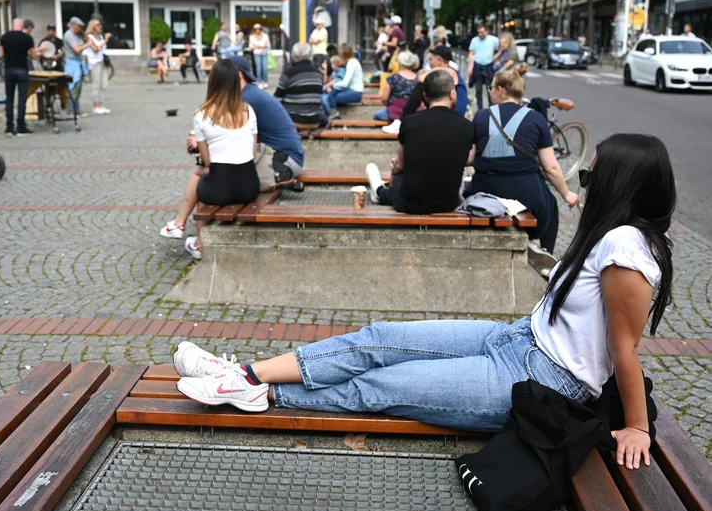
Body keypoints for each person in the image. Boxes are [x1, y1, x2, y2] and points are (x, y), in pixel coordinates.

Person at [174, 131, 676, 474]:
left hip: (542, 381)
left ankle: (263, 395)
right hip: (516, 339)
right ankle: (243, 374)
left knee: (378, 386)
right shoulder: (612, 237)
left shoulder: (627, 248)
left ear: (620, 187)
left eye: (590, 180)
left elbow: (623, 348)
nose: (581, 187)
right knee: (379, 338)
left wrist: (636, 426)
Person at [160, 56, 306, 248]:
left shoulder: (242, 101)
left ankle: (190, 234)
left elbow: (211, 159)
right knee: (211, 173)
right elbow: (248, 150)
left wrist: (200, 143)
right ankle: (185, 229)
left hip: (283, 160)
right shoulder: (249, 105)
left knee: (200, 176)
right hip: (253, 181)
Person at [464, 63, 579, 272]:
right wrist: (567, 194)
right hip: (526, 192)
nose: (489, 92)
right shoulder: (536, 118)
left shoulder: (481, 116)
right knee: (551, 206)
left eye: (491, 88)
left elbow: (470, 157)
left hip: (486, 190)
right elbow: (551, 167)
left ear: (500, 90)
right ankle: (544, 254)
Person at [179, 60, 260, 259]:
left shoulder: (201, 115)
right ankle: (184, 229)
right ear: (235, 82)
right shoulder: (249, 111)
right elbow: (253, 152)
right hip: (250, 188)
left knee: (201, 184)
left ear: (212, 82)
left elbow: (208, 162)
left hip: (218, 191)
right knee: (208, 178)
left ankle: (197, 243)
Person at [365, 69, 473, 214]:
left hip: (410, 203)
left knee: (399, 177)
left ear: (425, 97)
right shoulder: (467, 126)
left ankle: (379, 191)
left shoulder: (409, 122)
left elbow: (401, 165)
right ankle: (382, 190)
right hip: (448, 203)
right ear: (453, 94)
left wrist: (394, 169)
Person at [388, 45, 467, 134]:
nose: (429, 62)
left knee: (422, 85)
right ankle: (405, 118)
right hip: (449, 108)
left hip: (456, 111)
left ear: (439, 60)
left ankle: (403, 119)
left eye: (431, 59)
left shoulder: (450, 70)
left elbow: (421, 78)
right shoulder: (449, 70)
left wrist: (424, 73)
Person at [0, 18, 42, 136]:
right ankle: (21, 126)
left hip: (9, 69)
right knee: (22, 98)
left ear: (12, 25)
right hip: (22, 69)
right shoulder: (27, 38)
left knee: (9, 98)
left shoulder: (5, 37)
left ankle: (9, 126)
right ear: (22, 26)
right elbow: (34, 55)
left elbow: (0, 54)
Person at [274, 42, 328, 127]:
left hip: (292, 121)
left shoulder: (288, 74)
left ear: (292, 56)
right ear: (310, 55)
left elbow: (277, 99)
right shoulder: (319, 74)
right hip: (314, 121)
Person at [62, 17, 94, 119]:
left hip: (78, 63)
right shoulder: (69, 35)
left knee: (78, 88)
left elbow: (80, 46)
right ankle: (70, 112)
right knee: (73, 88)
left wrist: (85, 38)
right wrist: (88, 44)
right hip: (72, 65)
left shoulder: (76, 35)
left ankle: (77, 110)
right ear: (73, 25)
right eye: (79, 26)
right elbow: (77, 49)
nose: (80, 28)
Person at [372, 51, 418, 122]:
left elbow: (384, 98)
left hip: (395, 112)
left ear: (400, 63)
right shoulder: (418, 79)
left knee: (377, 114)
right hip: (415, 112)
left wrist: (389, 105)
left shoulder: (393, 78)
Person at [321, 44, 363, 118]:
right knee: (327, 95)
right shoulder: (353, 62)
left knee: (327, 98)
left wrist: (330, 85)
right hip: (352, 91)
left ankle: (334, 115)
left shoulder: (351, 63)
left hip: (355, 93)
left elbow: (345, 83)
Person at [467, 24, 499, 111]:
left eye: (482, 32)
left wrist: (495, 58)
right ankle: (480, 109)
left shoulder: (493, 40)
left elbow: (501, 49)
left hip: (488, 67)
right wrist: (470, 67)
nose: (480, 34)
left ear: (486, 31)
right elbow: (471, 54)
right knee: (478, 89)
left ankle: (491, 108)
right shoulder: (475, 40)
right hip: (478, 67)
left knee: (489, 89)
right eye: (479, 32)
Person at [83, 18, 112, 115]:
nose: (100, 26)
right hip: (94, 62)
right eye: (98, 25)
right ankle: (95, 106)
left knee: (103, 84)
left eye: (100, 24)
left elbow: (102, 50)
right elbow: (96, 49)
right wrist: (106, 40)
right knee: (96, 84)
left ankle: (101, 105)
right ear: (93, 27)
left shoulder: (100, 36)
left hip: (102, 61)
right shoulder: (90, 37)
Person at [248, 24, 270, 88]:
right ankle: (259, 82)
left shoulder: (265, 36)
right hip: (256, 53)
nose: (258, 30)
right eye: (256, 29)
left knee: (264, 68)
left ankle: (265, 81)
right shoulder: (252, 37)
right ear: (254, 30)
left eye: (259, 29)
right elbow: (250, 46)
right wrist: (259, 46)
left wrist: (258, 45)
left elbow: (268, 44)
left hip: (264, 53)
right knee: (259, 68)